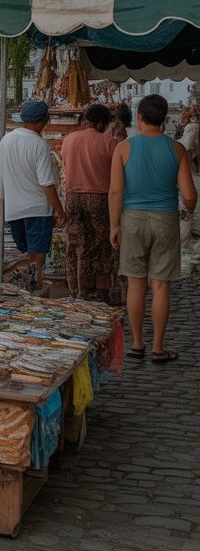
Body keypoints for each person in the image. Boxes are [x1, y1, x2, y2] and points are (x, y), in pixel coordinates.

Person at [109, 93, 196, 363]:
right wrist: (189, 211)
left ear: (139, 118)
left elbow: (115, 192)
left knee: (135, 284)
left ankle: (137, 343)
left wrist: (114, 225)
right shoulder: (177, 149)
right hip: (165, 218)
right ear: (165, 119)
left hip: (132, 218)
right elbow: (190, 195)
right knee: (161, 285)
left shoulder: (123, 148)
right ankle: (158, 347)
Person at [0, 99, 67, 289]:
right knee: (36, 259)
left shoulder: (6, 139)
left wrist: (16, 183)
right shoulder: (39, 145)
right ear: (45, 119)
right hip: (38, 210)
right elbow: (47, 185)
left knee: (27, 254)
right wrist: (60, 211)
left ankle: (22, 288)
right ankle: (32, 293)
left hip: (13, 210)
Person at [60, 103, 119, 303]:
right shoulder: (110, 142)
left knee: (78, 242)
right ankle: (102, 290)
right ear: (101, 122)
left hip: (73, 197)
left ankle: (78, 290)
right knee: (102, 243)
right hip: (99, 197)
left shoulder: (68, 140)